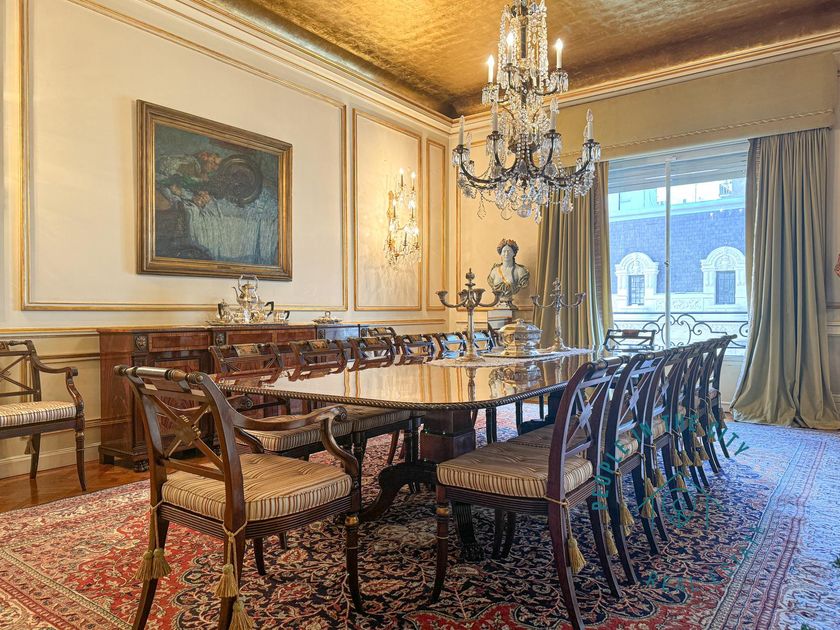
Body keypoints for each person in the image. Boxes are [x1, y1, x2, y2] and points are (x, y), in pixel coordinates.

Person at [487, 238, 530, 308]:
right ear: (500, 253)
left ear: (514, 253)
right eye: (504, 251)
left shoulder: (520, 271)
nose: (506, 254)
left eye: (509, 251)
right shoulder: (494, 271)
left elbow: (522, 284)